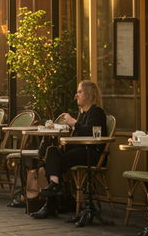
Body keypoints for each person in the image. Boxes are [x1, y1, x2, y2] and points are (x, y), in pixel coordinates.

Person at [31, 80, 107, 219]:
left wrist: (74, 123)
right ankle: (54, 186)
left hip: (92, 153)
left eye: (79, 92)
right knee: (52, 152)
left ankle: (51, 203)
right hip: (80, 151)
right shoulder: (83, 114)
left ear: (89, 94)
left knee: (56, 161)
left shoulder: (96, 112)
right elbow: (78, 134)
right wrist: (61, 128)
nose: (76, 95)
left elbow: (93, 133)